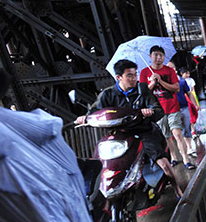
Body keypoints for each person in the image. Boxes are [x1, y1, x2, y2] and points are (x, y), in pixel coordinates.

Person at [76, 59, 184, 197]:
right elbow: (93, 112)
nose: (134, 79)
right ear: (118, 77)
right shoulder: (108, 94)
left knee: (163, 163)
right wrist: (84, 118)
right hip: (119, 134)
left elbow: (158, 110)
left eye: (135, 75)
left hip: (144, 131)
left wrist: (149, 112)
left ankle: (178, 189)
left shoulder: (143, 90)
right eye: (129, 76)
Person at [139, 46, 195, 170]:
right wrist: (152, 83)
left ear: (164, 57)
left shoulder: (169, 71)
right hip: (157, 109)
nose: (158, 58)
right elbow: (143, 92)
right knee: (167, 135)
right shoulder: (144, 72)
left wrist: (161, 81)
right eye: (155, 55)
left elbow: (176, 88)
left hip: (172, 107)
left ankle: (185, 158)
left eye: (161, 55)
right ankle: (174, 157)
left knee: (177, 133)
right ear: (150, 56)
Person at [178, 67, 199, 155]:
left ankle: (189, 146)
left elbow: (191, 92)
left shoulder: (182, 82)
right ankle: (183, 148)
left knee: (188, 123)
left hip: (185, 103)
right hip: (174, 108)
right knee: (178, 130)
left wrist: (195, 104)